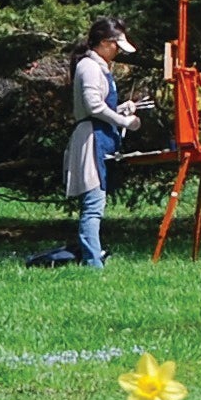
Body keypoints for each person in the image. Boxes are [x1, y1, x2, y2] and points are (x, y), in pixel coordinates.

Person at [61, 17, 142, 266]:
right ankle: (92, 262)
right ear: (105, 43)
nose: (117, 51)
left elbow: (100, 105)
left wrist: (120, 109)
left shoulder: (99, 67)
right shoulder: (89, 66)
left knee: (97, 202)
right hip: (91, 140)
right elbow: (93, 106)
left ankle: (92, 257)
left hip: (100, 136)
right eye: (116, 46)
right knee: (93, 204)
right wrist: (123, 121)